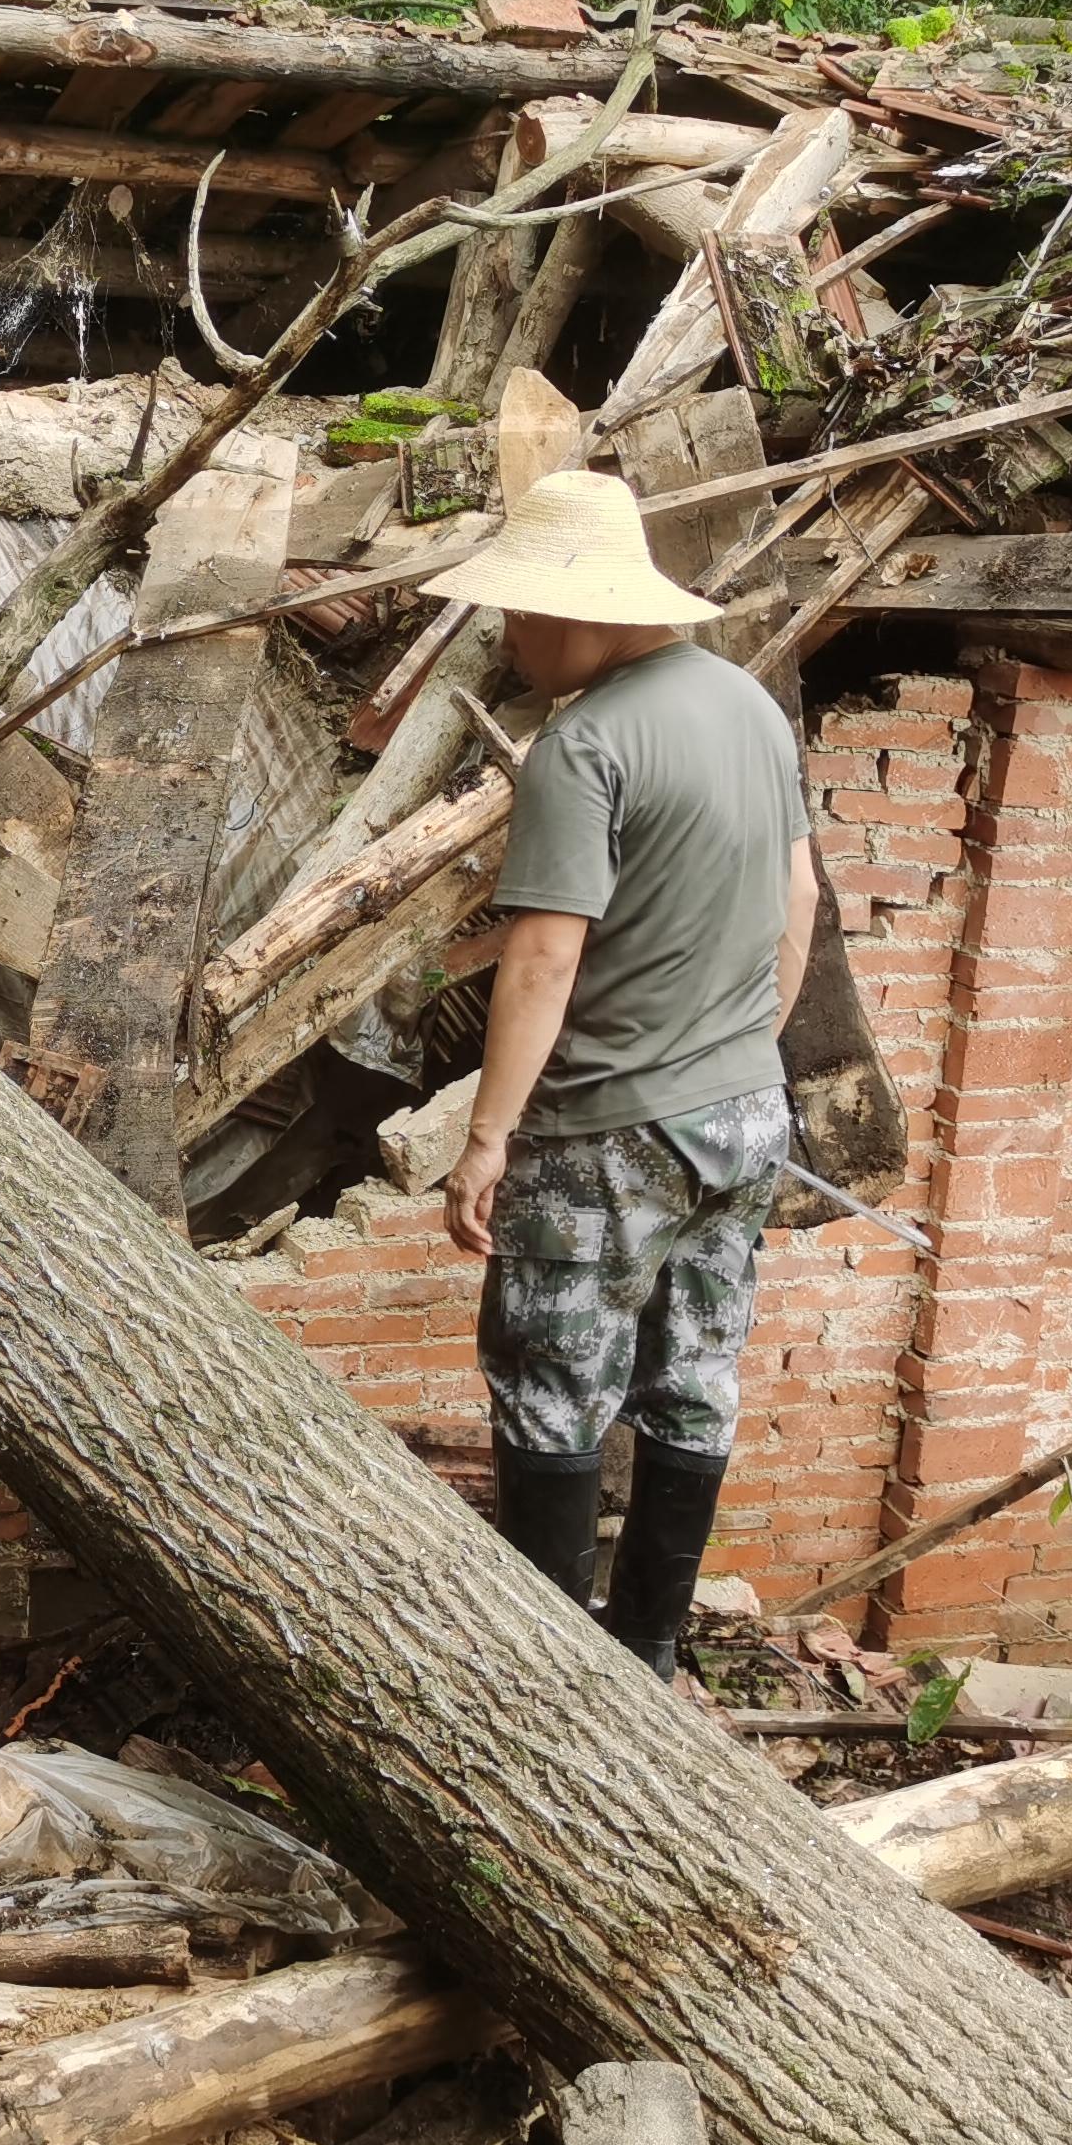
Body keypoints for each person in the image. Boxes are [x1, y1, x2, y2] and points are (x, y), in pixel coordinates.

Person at [421, 471, 818, 1680]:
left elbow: (542, 957)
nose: (504, 637)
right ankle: (646, 1648)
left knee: (554, 1386)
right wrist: (740, 1045)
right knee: (695, 1377)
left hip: (606, 1134)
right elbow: (800, 899)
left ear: (574, 609)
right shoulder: (748, 704)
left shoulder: (582, 746)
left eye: (515, 614)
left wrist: (487, 1139)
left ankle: (552, 1684)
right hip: (747, 1114)